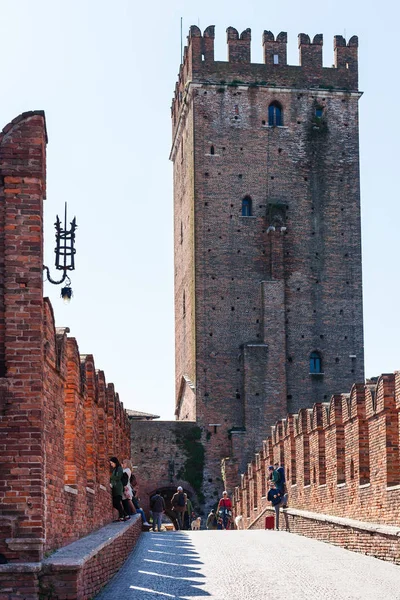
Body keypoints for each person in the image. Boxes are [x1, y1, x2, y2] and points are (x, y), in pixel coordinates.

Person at [109, 457, 129, 522]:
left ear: (115, 462)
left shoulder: (119, 468)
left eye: (112, 463)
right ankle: (125, 515)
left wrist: (111, 477)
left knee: (117, 502)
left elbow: (118, 477)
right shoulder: (115, 469)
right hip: (115, 487)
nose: (111, 464)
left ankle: (121, 516)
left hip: (118, 488)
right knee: (115, 503)